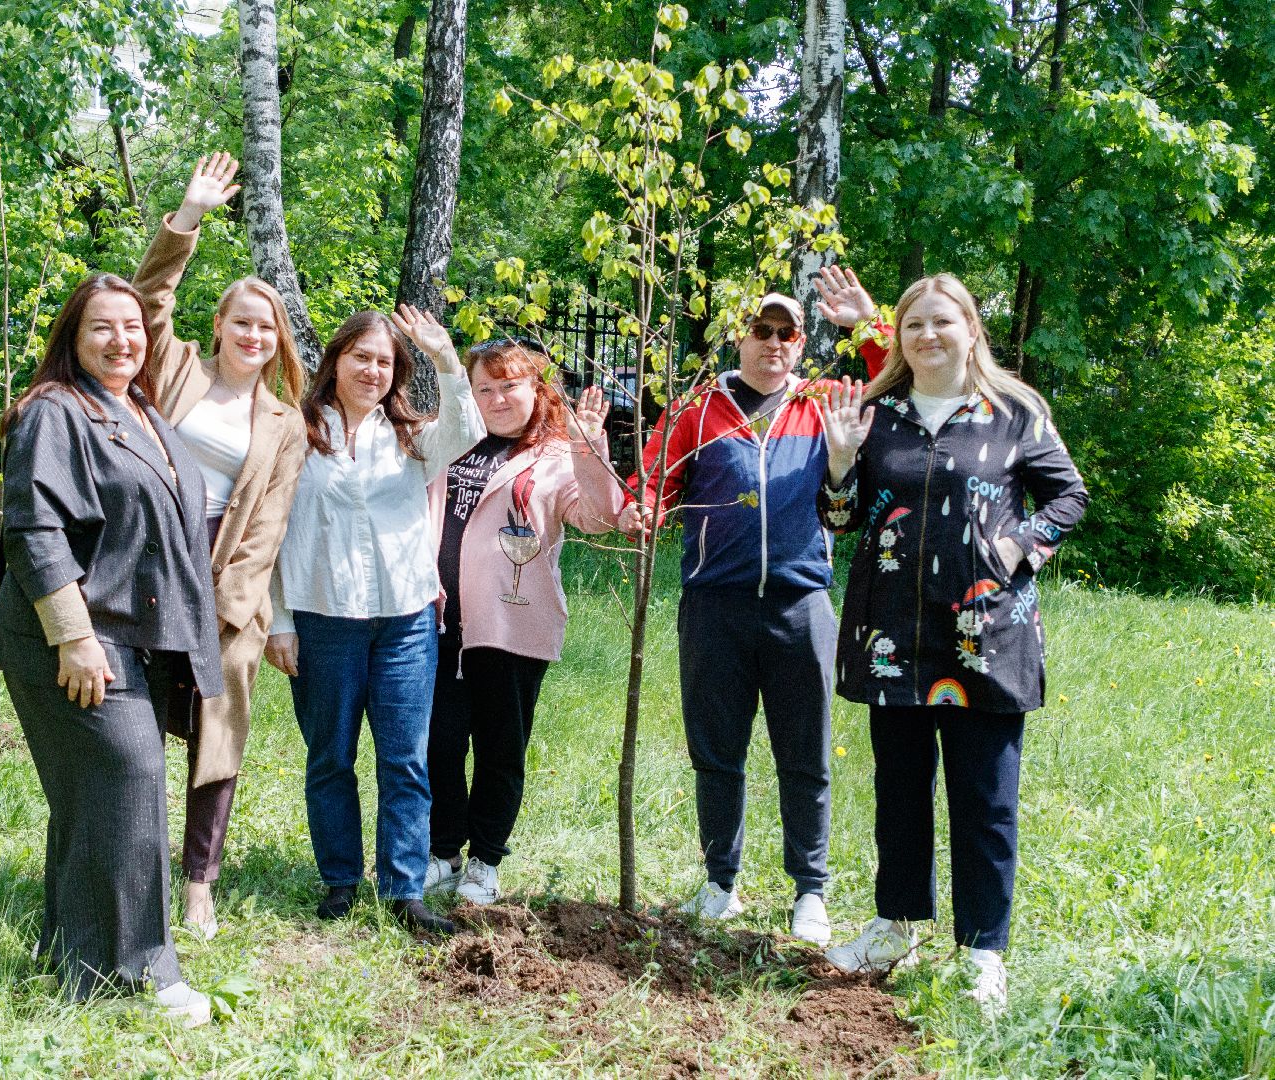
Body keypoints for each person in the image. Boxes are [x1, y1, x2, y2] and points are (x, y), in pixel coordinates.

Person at [812, 267, 1088, 1013]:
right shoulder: (876, 412)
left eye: (943, 321)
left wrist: (1016, 549)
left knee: (985, 800)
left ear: (971, 328)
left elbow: (1069, 495)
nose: (928, 335)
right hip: (891, 637)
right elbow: (839, 521)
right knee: (899, 793)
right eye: (913, 325)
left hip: (985, 638)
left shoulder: (1015, 411)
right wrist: (839, 463)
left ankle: (983, 953)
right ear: (897, 339)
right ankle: (895, 925)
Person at [0, 273, 224, 1025]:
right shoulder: (55, 411)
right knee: (129, 784)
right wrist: (75, 637)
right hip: (76, 644)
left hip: (133, 640)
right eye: (102, 328)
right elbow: (33, 530)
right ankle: (140, 973)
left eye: (132, 327)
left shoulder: (137, 407)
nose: (123, 340)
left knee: (97, 800)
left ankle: (73, 955)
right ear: (72, 339)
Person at [626, 291, 883, 946]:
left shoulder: (824, 401)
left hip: (802, 604)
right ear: (739, 339)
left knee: (806, 754)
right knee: (717, 753)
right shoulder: (700, 407)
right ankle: (720, 882)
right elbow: (655, 478)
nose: (773, 343)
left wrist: (869, 323)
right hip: (715, 605)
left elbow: (899, 373)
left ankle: (811, 893)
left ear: (801, 344)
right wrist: (641, 508)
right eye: (761, 331)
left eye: (786, 334)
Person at [264, 305, 485, 935]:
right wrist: (278, 620)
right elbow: (272, 531)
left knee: (405, 759)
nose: (372, 370)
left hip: (404, 623)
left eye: (385, 361)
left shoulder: (413, 438)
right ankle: (340, 880)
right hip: (321, 619)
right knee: (330, 755)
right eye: (361, 356)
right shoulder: (295, 434)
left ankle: (404, 890)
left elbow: (466, 426)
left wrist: (444, 355)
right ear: (334, 361)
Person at [133, 153, 308, 941]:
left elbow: (267, 526)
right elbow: (145, 301)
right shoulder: (174, 372)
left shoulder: (284, 423)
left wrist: (229, 609)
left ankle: (200, 880)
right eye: (241, 321)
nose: (253, 335)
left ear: (277, 340)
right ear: (219, 326)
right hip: (142, 563)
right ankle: (130, 862)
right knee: (131, 720)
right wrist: (189, 216)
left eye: (265, 326)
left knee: (218, 725)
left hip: (225, 582)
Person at [422, 342, 625, 906]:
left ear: (537, 390)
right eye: (483, 388)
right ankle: (442, 852)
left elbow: (599, 515)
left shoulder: (557, 455)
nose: (497, 399)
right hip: (436, 623)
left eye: (510, 385)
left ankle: (484, 860)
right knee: (437, 743)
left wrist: (590, 446)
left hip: (509, 627)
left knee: (500, 749)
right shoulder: (449, 442)